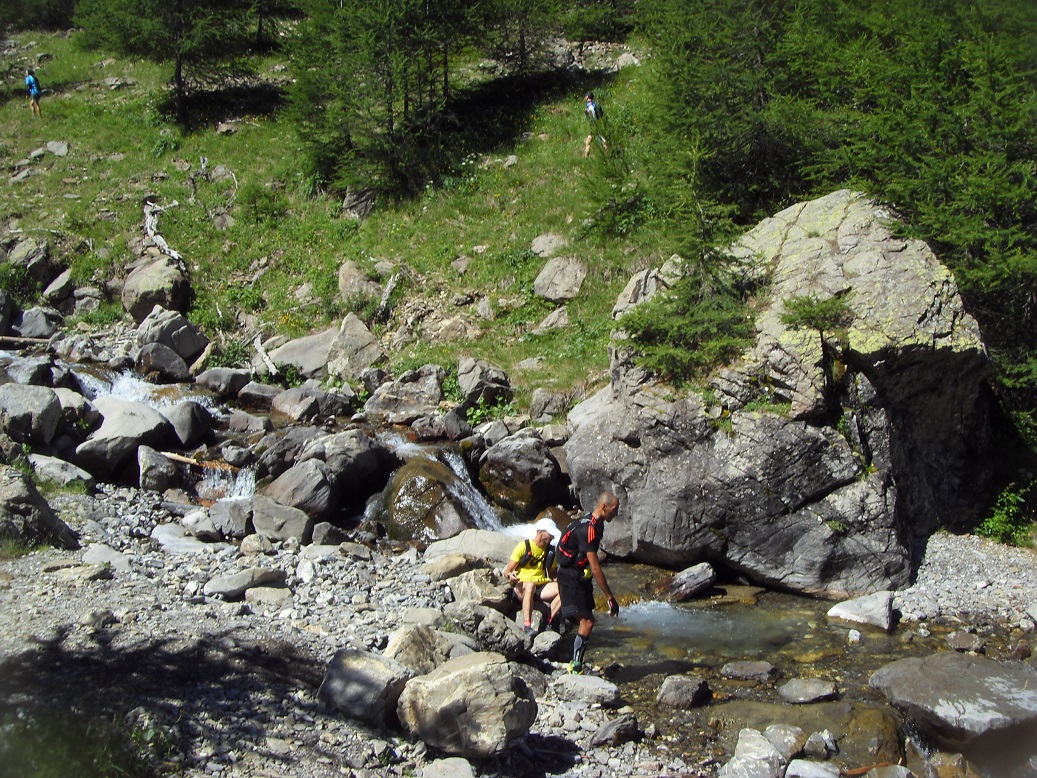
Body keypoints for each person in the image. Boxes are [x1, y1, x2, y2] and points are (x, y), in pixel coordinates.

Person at [555, 491, 620, 673]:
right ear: (604, 507)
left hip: (579, 577)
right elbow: (596, 567)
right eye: (614, 510)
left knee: (586, 619)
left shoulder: (597, 525)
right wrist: (610, 597)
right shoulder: (588, 529)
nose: (616, 513)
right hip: (570, 577)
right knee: (587, 622)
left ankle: (575, 661)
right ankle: (575, 665)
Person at [504, 518, 562, 637]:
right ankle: (527, 625)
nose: (552, 537)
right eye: (550, 534)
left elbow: (552, 575)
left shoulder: (550, 552)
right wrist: (511, 576)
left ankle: (549, 620)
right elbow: (507, 572)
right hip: (522, 587)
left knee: (565, 587)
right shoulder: (523, 546)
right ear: (541, 532)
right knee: (530, 586)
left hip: (540, 586)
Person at [583, 92, 603, 157]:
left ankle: (586, 158)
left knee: (588, 142)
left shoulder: (590, 105)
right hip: (596, 124)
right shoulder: (594, 104)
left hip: (594, 125)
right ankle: (586, 158)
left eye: (585, 96)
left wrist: (588, 114)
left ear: (587, 97)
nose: (584, 98)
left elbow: (592, 114)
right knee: (592, 140)